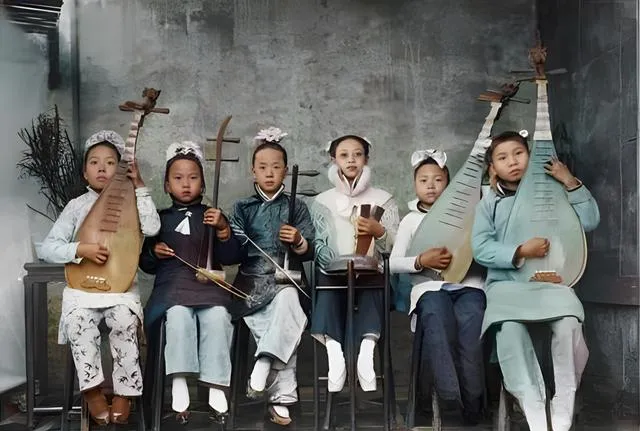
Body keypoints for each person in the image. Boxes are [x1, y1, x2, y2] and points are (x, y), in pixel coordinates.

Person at [472, 131, 600, 431]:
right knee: (509, 331)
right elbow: (480, 248)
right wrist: (519, 251)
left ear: (530, 155)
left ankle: (564, 403)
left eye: (519, 153)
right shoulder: (489, 202)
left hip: (553, 284)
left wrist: (569, 182)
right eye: (502, 158)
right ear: (493, 167)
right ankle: (533, 408)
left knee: (569, 325)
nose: (512, 162)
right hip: (507, 287)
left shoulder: (555, 190)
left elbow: (590, 220)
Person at [40, 130, 161, 425]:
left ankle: (124, 392)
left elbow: (153, 228)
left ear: (120, 170)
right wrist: (80, 249)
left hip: (121, 291)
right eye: (94, 162)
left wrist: (139, 186)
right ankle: (92, 390)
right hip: (83, 292)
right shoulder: (76, 206)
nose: (102, 168)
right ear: (85, 172)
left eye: (110, 162)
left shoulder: (132, 202)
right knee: (79, 323)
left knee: (124, 322)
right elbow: (48, 248)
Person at [139, 141, 242, 425]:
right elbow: (145, 264)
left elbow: (232, 257)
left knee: (218, 317)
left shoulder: (213, 216)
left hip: (210, 290)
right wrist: (154, 252)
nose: (186, 184)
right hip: (172, 290)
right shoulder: (158, 220)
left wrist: (223, 229)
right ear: (167, 185)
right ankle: (180, 381)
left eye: (193, 177)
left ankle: (216, 385)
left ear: (203, 184)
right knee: (178, 316)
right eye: (178, 178)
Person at [390, 149, 486, 424]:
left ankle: (473, 400)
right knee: (436, 314)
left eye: (438, 179)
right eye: (423, 180)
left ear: (449, 183)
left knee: (471, 323)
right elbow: (393, 263)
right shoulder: (411, 220)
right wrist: (421, 260)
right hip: (429, 289)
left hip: (469, 287)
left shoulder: (470, 215)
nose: (431, 186)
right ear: (414, 185)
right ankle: (449, 396)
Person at [229, 127, 315, 425]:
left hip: (289, 279)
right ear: (253, 171)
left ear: (286, 171)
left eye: (276, 167)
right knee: (285, 316)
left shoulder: (297, 207)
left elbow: (310, 251)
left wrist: (298, 240)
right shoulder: (242, 208)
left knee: (288, 297)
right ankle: (281, 397)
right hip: (250, 285)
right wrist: (226, 233)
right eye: (263, 167)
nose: (269, 173)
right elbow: (233, 252)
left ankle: (263, 362)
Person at [310, 134, 399, 393]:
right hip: (333, 274)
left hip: (371, 274)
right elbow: (318, 244)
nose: (351, 160)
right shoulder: (322, 202)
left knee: (375, 280)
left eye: (358, 154)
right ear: (334, 159)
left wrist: (379, 231)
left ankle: (366, 351)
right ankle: (334, 351)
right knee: (326, 282)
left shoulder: (384, 199)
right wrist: (335, 262)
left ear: (366, 159)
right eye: (344, 155)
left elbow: (396, 247)